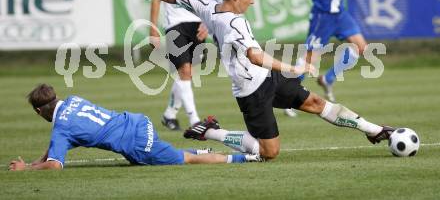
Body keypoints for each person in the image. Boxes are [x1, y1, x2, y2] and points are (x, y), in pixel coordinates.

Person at [105, 0, 394, 160]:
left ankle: (374, 130)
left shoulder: (208, 4)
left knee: (317, 102)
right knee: (269, 153)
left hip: (268, 76)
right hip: (251, 90)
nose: (252, 2)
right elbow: (255, 56)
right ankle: (211, 132)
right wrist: (290, 67)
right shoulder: (234, 23)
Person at [8, 84, 261, 171]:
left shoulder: (62, 128)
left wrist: (25, 170)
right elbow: (56, 146)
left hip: (137, 142)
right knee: (157, 157)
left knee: (183, 160)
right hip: (136, 122)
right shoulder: (73, 101)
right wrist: (33, 163)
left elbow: (54, 164)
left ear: (39, 111)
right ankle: (206, 148)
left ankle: (246, 158)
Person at [149, 0, 216, 131]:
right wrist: (153, 28)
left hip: (198, 25)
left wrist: (207, 22)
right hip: (175, 24)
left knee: (186, 74)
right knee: (184, 70)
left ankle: (169, 114)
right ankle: (195, 120)